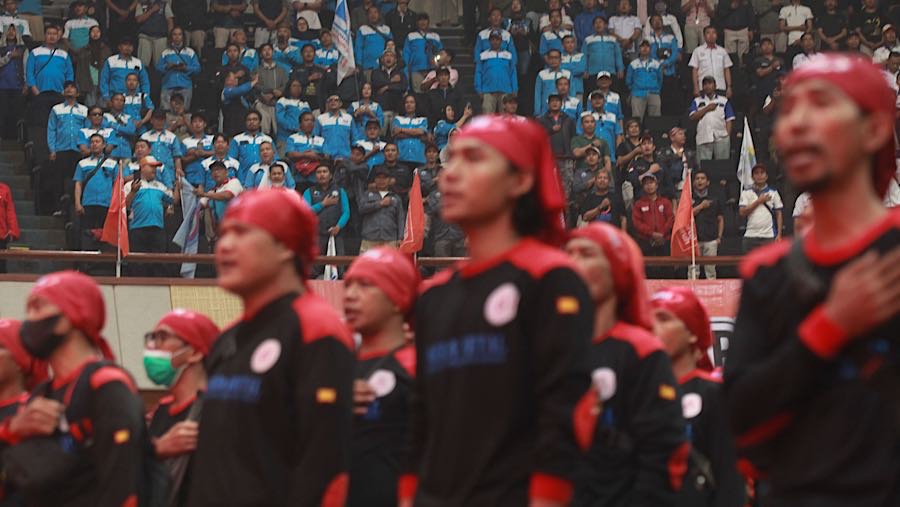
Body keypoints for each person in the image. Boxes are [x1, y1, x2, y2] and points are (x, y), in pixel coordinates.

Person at [725, 53, 900, 506]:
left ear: (875, 130)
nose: (796, 123)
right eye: (789, 109)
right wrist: (831, 326)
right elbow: (738, 417)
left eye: (820, 105)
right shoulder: (766, 273)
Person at [402, 115, 593, 506]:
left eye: (473, 159)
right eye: (450, 159)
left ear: (520, 180)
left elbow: (565, 411)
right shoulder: (434, 297)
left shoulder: (550, 279)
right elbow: (420, 421)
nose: (449, 174)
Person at [187, 189, 354, 505]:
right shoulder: (228, 339)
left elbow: (326, 469)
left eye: (242, 233)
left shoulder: (316, 330)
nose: (224, 246)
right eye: (224, 234)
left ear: (284, 246)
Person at [564, 221, 688, 505]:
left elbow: (665, 452)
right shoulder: (549, 349)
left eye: (586, 254)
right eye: (568, 254)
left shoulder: (642, 351)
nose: (573, 263)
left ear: (617, 269)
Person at [1, 271, 147, 505]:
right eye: (28, 310)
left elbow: (125, 484)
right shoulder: (42, 393)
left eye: (38, 308)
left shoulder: (106, 384)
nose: (29, 320)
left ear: (70, 316)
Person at [650, 287, 745, 507]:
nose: (653, 328)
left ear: (692, 332)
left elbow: (730, 480)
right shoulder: (639, 393)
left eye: (664, 319)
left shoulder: (715, 394)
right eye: (649, 319)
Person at [342, 247, 417, 506]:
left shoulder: (419, 367)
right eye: (348, 285)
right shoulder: (332, 367)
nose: (350, 295)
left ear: (398, 299)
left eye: (365, 286)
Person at [145, 309, 220, 506]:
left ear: (194, 353)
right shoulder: (159, 412)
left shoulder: (218, 411)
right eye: (151, 338)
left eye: (162, 337)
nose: (152, 347)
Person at [125, 155, 178, 275]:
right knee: (138, 262)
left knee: (158, 260)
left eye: (156, 167)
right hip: (137, 227)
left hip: (157, 227)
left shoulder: (160, 186)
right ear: (142, 168)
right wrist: (133, 191)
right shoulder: (130, 185)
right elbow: (125, 205)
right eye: (151, 167)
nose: (154, 170)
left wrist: (178, 187)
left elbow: (173, 200)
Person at [46, 81, 88, 217]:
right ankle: (58, 208)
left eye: (73, 88)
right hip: (61, 149)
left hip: (78, 151)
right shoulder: (56, 109)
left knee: (76, 180)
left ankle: (74, 207)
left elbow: (87, 130)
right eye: (67, 88)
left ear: (78, 93)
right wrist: (52, 149)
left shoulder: (83, 110)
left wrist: (86, 148)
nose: (69, 90)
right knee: (58, 180)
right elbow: (51, 129)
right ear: (63, 92)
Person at [303, 162, 350, 276]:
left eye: (325, 172)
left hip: (336, 234)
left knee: (338, 268)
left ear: (330, 175)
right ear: (315, 176)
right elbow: (305, 211)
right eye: (319, 172)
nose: (322, 175)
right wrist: (323, 204)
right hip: (316, 235)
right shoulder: (309, 191)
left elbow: (346, 212)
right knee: (313, 269)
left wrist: (338, 226)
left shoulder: (340, 191)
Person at [73, 134, 118, 249]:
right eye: (92, 142)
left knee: (106, 235)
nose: (94, 144)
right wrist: (78, 203)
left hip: (106, 204)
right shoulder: (82, 163)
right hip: (88, 203)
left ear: (103, 145)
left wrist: (114, 204)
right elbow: (78, 183)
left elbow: (117, 185)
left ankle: (103, 264)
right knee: (87, 235)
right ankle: (86, 263)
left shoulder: (112, 164)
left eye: (97, 142)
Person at [632, 173, 674, 272]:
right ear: (643, 187)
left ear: (656, 184)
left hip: (664, 241)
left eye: (651, 183)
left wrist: (661, 234)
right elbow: (637, 223)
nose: (649, 186)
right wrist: (652, 234)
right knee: (648, 271)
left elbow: (670, 219)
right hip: (646, 242)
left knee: (667, 272)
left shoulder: (665, 202)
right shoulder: (638, 204)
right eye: (646, 184)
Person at [358, 165, 404, 252]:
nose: (381, 181)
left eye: (384, 178)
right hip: (369, 238)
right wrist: (380, 203)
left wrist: (400, 237)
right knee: (367, 265)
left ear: (389, 180)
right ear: (375, 180)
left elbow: (400, 219)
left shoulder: (396, 198)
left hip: (390, 239)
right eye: (379, 178)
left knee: (390, 265)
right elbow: (361, 208)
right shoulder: (367, 195)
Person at [689, 76, 736, 161]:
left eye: (710, 83)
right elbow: (692, 117)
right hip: (703, 136)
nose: (707, 86)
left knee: (722, 165)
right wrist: (707, 108)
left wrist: (727, 135)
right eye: (705, 84)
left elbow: (729, 119)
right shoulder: (697, 101)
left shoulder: (724, 100)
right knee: (703, 166)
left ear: (715, 86)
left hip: (721, 137)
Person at [738, 163, 783, 252]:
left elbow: (779, 214)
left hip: (769, 236)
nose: (759, 175)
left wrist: (779, 234)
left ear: (766, 176)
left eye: (762, 173)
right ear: (752, 177)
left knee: (770, 265)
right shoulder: (746, 193)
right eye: (756, 173)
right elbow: (742, 212)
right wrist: (759, 201)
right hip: (750, 236)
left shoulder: (773, 193)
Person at [690, 169, 724, 280]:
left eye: (702, 178)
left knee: (711, 271)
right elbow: (685, 216)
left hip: (711, 240)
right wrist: (700, 206)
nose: (700, 181)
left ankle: (713, 296)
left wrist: (719, 237)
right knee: (693, 272)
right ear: (694, 182)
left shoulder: (715, 199)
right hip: (693, 240)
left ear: (708, 182)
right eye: (697, 178)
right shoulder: (689, 199)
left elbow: (720, 219)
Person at [157, 26, 200, 111]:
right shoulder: (166, 52)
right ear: (171, 37)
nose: (177, 37)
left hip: (185, 86)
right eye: (174, 34)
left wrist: (186, 68)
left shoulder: (190, 52)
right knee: (166, 112)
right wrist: (167, 66)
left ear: (183, 37)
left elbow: (197, 69)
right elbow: (158, 68)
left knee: (184, 112)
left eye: (179, 34)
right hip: (168, 85)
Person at [476, 31, 517, 115]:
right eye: (493, 39)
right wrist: (479, 89)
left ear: (501, 41)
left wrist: (515, 89)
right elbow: (478, 72)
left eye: (497, 39)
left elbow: (513, 72)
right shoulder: (483, 55)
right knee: (487, 118)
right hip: (488, 91)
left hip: (506, 90)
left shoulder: (508, 55)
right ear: (489, 41)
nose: (495, 42)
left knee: (506, 117)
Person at [26, 25, 74, 95]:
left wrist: (65, 90)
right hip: (39, 92)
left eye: (54, 34)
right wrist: (35, 90)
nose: (52, 36)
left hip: (60, 93)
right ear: (44, 35)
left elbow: (70, 74)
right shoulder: (35, 52)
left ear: (58, 37)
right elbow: (29, 73)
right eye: (49, 34)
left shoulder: (64, 54)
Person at [100, 37, 151, 103]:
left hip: (134, 99)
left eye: (130, 45)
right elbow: (104, 80)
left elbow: (144, 81)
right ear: (119, 47)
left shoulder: (138, 62)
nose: (128, 47)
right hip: (115, 98)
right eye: (125, 44)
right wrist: (106, 98)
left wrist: (145, 96)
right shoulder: (111, 61)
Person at [229, 110, 275, 183]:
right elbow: (231, 161)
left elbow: (275, 159)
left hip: (265, 180)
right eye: (249, 120)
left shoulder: (267, 139)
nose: (252, 122)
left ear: (260, 123)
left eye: (255, 119)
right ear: (245, 123)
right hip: (243, 179)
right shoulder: (237, 139)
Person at [689, 26, 733, 98]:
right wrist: (696, 87)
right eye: (708, 33)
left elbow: (727, 69)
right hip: (703, 88)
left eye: (714, 33)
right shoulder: (697, 51)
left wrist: (729, 87)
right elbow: (694, 70)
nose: (711, 35)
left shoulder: (722, 51)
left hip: (720, 87)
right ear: (704, 35)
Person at [403, 13, 442, 92]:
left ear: (428, 22)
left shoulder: (435, 36)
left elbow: (441, 52)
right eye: (420, 20)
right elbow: (406, 53)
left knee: (432, 92)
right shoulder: (411, 36)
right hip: (416, 70)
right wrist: (407, 68)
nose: (423, 22)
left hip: (432, 70)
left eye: (425, 19)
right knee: (418, 92)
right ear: (417, 22)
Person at [584, 17, 624, 93]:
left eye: (600, 22)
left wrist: (620, 69)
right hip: (593, 72)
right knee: (594, 96)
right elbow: (585, 56)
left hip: (610, 72)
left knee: (612, 95)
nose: (598, 24)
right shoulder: (588, 40)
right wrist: (585, 70)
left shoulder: (613, 39)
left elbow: (618, 55)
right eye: (596, 23)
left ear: (605, 25)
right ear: (593, 26)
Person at [626, 40, 663, 121]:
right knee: (637, 119)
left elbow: (660, 80)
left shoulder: (656, 64)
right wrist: (634, 89)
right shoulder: (633, 64)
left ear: (650, 49)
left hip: (654, 93)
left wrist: (656, 89)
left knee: (656, 119)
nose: (645, 48)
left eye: (647, 46)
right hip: (637, 93)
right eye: (642, 46)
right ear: (639, 49)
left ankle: (654, 134)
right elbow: (628, 80)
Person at [393, 94, 428, 167]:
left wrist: (402, 129)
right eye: (407, 102)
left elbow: (421, 132)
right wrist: (416, 135)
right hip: (402, 157)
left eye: (412, 102)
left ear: (416, 104)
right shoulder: (397, 119)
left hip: (419, 158)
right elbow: (397, 134)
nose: (409, 104)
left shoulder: (423, 120)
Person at [355, 6, 393, 75]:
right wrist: (359, 64)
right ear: (367, 16)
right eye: (370, 13)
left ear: (379, 14)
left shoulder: (386, 29)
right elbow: (358, 48)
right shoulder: (362, 29)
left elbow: (391, 48)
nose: (373, 15)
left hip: (383, 68)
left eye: (375, 12)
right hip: (367, 67)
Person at [315, 95, 354, 160]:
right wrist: (321, 152)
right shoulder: (321, 118)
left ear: (340, 103)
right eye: (331, 100)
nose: (333, 102)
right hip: (327, 157)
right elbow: (316, 138)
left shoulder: (349, 118)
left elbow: (354, 137)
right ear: (327, 104)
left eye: (336, 100)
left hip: (346, 156)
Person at [534, 49, 571, 116]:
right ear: (547, 59)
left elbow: (571, 92)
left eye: (556, 58)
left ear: (560, 59)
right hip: (546, 110)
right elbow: (538, 94)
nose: (553, 60)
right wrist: (537, 112)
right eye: (551, 58)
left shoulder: (567, 74)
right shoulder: (542, 74)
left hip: (564, 110)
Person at [371, 50, 407, 115]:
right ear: (382, 59)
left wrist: (387, 87)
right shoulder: (376, 72)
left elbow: (403, 87)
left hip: (397, 110)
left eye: (391, 56)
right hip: (381, 110)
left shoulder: (400, 73)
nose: (389, 58)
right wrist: (391, 81)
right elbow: (376, 83)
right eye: (386, 56)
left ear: (395, 60)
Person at [0, 179, 18, 273]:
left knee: (1, 269)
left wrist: (13, 231)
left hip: (1, 236)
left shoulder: (4, 189)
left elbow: (10, 212)